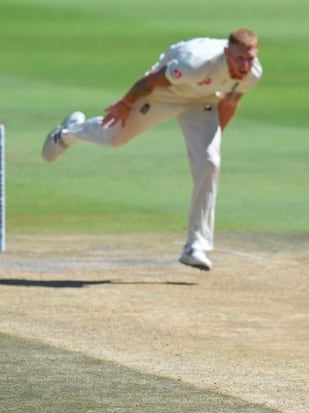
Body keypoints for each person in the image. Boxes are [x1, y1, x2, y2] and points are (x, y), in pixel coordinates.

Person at [41, 28, 263, 271]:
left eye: (250, 59)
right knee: (115, 137)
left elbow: (230, 101)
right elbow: (152, 81)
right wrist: (125, 104)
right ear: (226, 52)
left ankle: (195, 246)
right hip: (164, 93)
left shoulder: (252, 73)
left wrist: (211, 140)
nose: (245, 65)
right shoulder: (194, 63)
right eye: (240, 58)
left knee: (209, 162)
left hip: (202, 102)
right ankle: (68, 133)